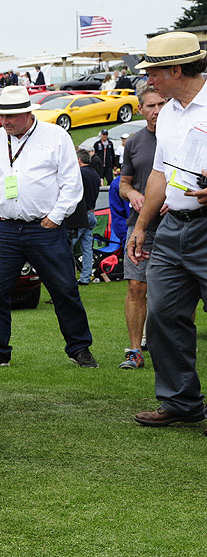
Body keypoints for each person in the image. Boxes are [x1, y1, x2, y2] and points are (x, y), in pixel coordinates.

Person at [0, 86, 95, 368]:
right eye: (3, 115)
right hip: (4, 228)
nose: (6, 121)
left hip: (44, 228)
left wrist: (55, 217)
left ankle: (80, 348)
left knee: (64, 289)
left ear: (28, 113)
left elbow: (71, 183)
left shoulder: (55, 136)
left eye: (12, 116)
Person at [127, 32, 207, 425]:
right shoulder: (171, 111)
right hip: (173, 227)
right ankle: (182, 404)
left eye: (154, 72)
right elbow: (159, 172)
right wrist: (142, 225)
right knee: (162, 317)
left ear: (176, 69)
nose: (149, 82)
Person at [118, 86, 166, 370]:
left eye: (161, 103)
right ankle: (135, 350)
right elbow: (125, 183)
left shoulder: (179, 136)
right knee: (136, 286)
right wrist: (131, 193)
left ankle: (167, 349)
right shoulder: (134, 142)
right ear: (140, 110)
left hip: (175, 223)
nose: (156, 110)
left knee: (175, 291)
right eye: (150, 106)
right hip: (139, 226)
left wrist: (175, 197)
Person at [70, 149, 100, 286]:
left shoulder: (79, 174)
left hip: (80, 215)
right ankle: (86, 276)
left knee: (67, 247)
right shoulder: (94, 173)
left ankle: (68, 278)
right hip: (92, 213)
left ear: (79, 160)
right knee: (87, 249)